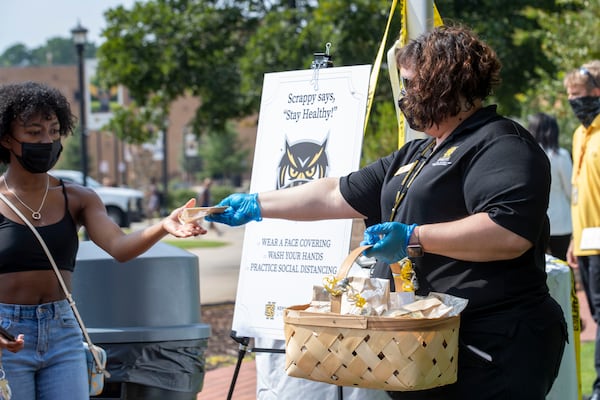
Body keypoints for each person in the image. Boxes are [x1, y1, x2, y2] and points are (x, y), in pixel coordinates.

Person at [207, 25, 567, 400]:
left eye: (410, 83)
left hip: (494, 346)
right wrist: (257, 205)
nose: (404, 94)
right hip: (425, 347)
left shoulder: (501, 144)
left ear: (443, 82)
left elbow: (506, 234)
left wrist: (414, 237)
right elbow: (335, 193)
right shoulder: (418, 153)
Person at [0, 81, 206, 399]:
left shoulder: (78, 197)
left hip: (63, 333)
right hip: (7, 335)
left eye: (54, 131)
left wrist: (165, 226)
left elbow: (120, 247)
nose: (47, 140)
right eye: (34, 132)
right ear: (6, 138)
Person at [564, 60, 600, 400]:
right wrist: (576, 236)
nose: (574, 102)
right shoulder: (579, 135)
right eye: (570, 96)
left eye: (579, 95)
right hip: (587, 242)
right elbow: (581, 192)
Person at [528, 112, 573, 260]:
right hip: (561, 223)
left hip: (535, 222)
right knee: (563, 268)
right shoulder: (561, 155)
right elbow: (570, 190)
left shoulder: (527, 154)